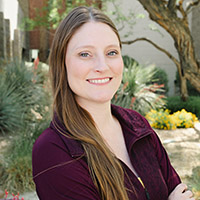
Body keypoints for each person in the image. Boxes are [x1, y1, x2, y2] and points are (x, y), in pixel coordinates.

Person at [32, 6, 195, 200]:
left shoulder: (136, 125)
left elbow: (181, 192)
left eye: (111, 52)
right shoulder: (53, 150)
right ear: (62, 63)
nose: (103, 66)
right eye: (85, 54)